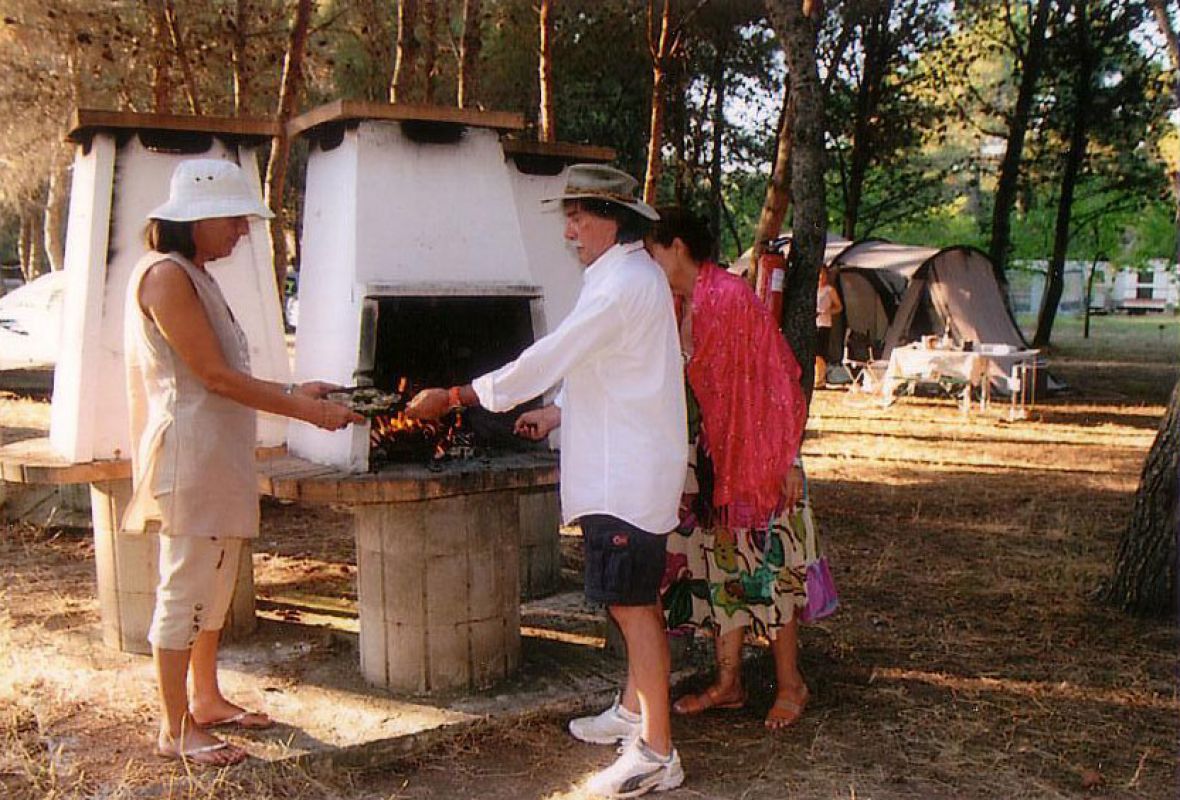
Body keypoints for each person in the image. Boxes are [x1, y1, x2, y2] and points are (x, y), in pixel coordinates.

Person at [406, 164, 687, 798]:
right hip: (625, 466)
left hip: (628, 476)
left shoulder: (623, 284)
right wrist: (558, 410)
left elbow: (550, 353)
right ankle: (634, 713)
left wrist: (458, 395)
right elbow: (609, 370)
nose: (569, 229)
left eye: (578, 216)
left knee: (633, 607)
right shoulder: (622, 277)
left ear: (611, 218)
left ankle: (657, 753)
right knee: (631, 602)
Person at [122, 159, 362, 767]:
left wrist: (296, 391)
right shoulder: (165, 277)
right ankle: (174, 728)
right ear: (196, 219)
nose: (242, 232)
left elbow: (226, 373)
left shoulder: (196, 272)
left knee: (216, 582)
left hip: (219, 457)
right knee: (184, 589)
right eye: (234, 219)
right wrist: (305, 415)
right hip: (192, 457)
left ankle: (205, 699)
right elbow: (211, 376)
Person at [646, 207, 812, 731]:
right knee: (723, 571)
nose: (651, 263)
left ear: (675, 246)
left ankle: (792, 686)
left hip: (761, 458)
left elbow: (779, 378)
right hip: (714, 457)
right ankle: (729, 683)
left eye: (653, 252)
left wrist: (786, 459)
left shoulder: (731, 297)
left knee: (771, 568)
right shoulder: (681, 302)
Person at [814, 265, 843, 388]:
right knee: (813, 352)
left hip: (824, 323)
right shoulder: (814, 290)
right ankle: (816, 377)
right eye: (819, 274)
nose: (821, 277)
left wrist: (827, 311)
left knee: (820, 352)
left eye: (823, 274)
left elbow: (839, 307)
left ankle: (820, 379)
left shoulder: (829, 290)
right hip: (813, 323)